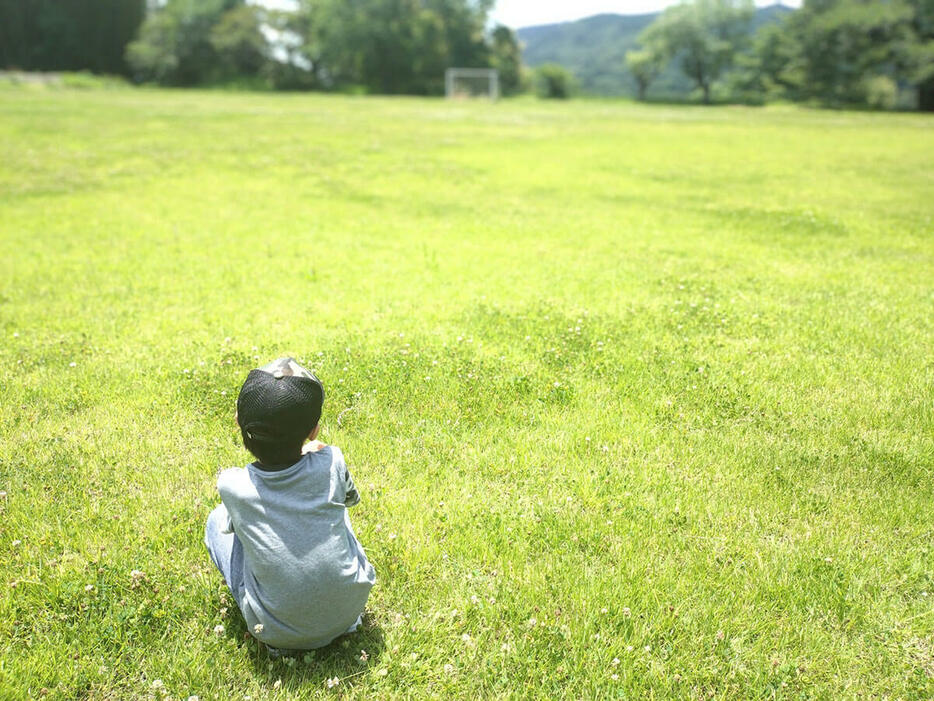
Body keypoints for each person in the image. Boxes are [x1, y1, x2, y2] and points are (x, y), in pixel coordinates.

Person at [204, 357, 375, 653]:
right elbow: (350, 500)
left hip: (275, 633)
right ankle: (333, 607)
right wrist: (317, 458)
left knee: (217, 521)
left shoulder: (231, 485)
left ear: (237, 423)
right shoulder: (333, 461)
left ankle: (277, 609)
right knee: (337, 512)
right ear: (313, 431)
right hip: (349, 612)